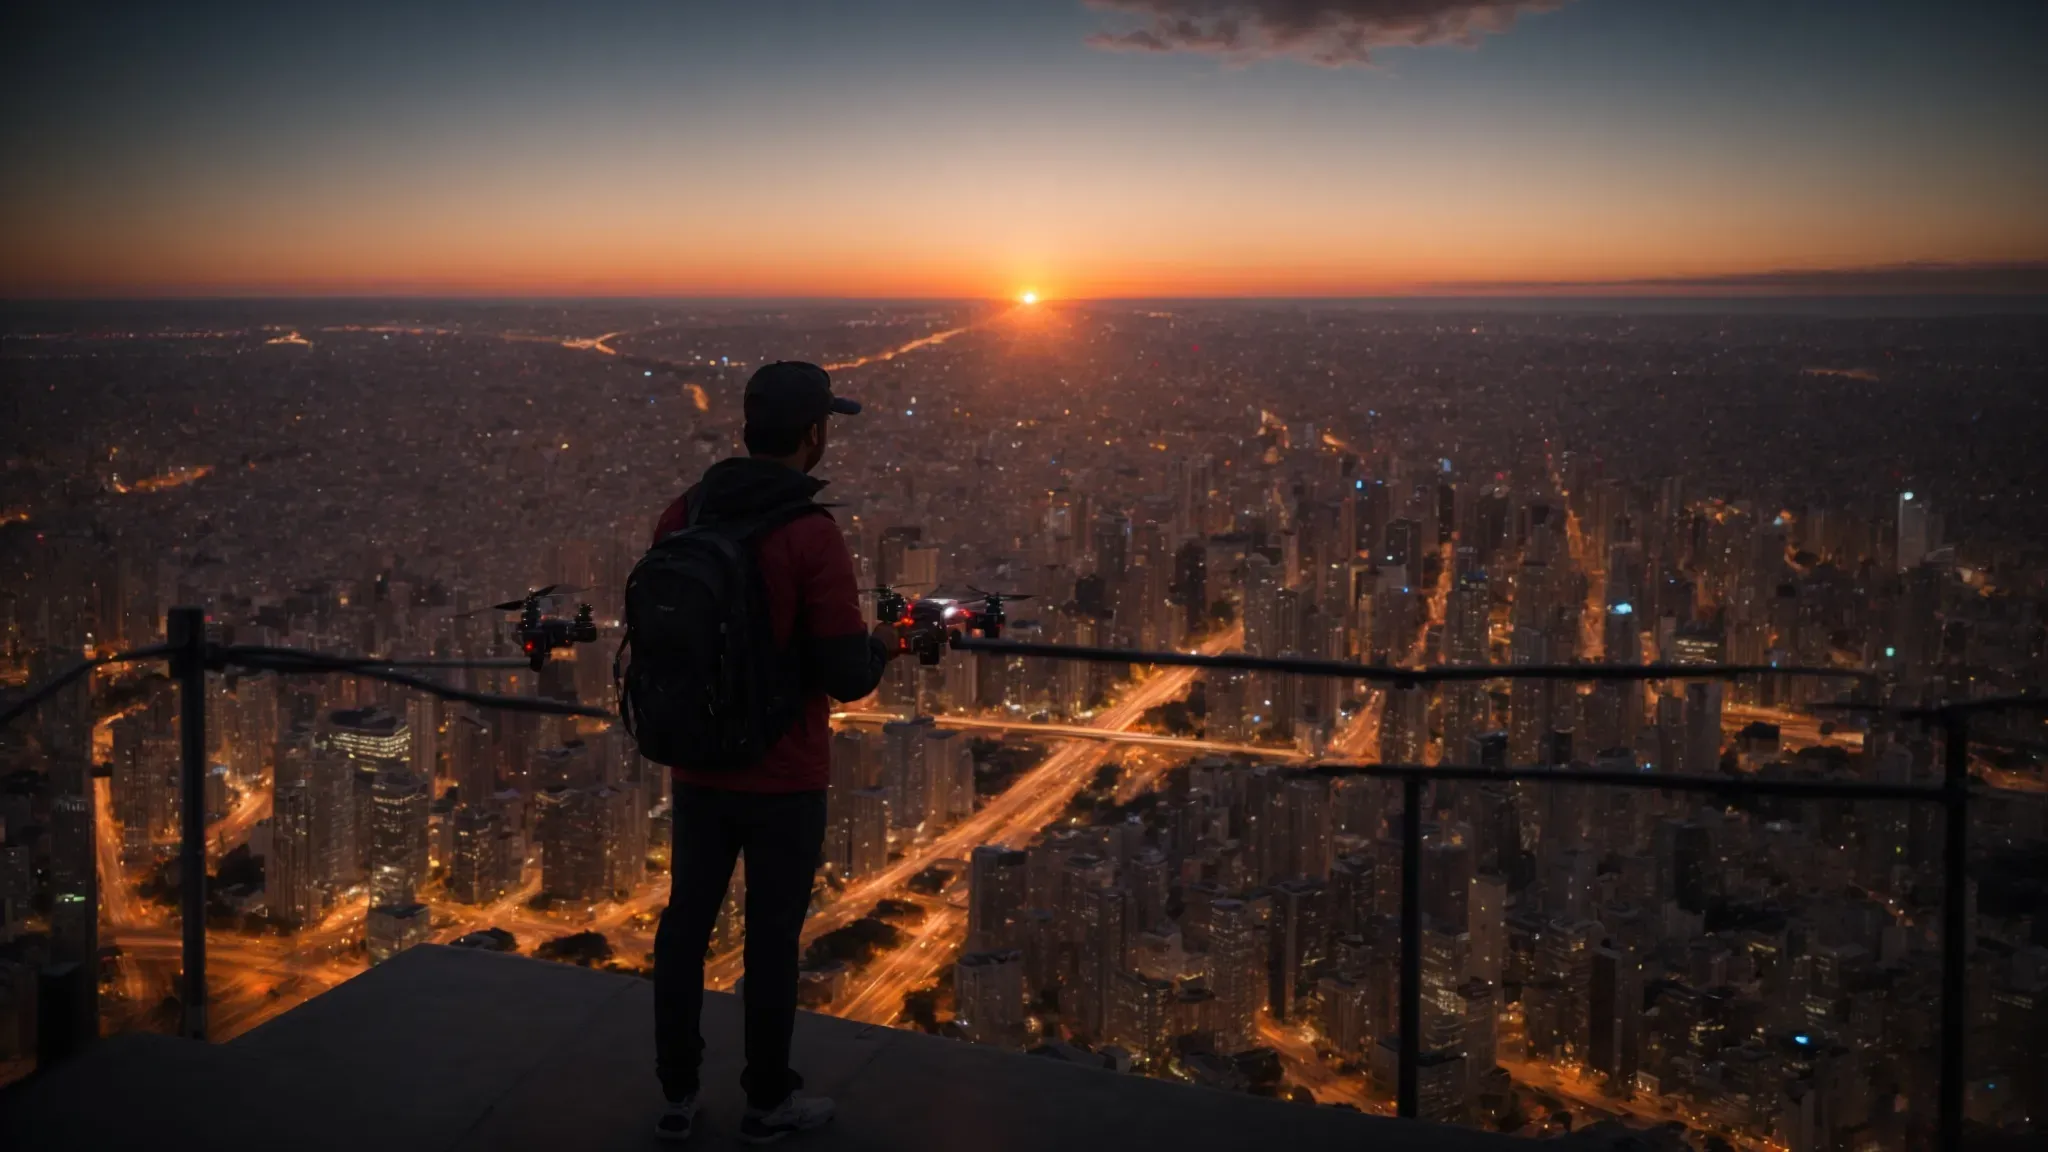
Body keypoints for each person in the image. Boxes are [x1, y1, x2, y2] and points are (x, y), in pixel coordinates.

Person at [649, 361, 897, 1143]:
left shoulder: (681, 515)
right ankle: (766, 1101)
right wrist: (888, 642)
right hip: (785, 775)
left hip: (695, 762)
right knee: (770, 940)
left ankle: (677, 1096)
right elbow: (847, 676)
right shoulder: (810, 534)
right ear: (816, 434)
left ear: (746, 427)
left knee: (685, 926)